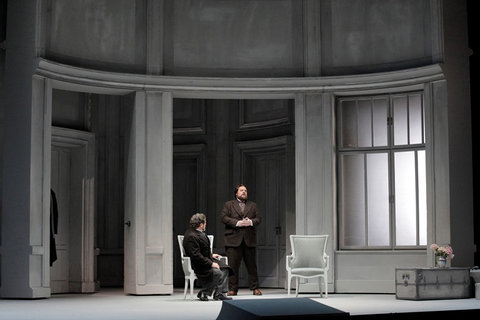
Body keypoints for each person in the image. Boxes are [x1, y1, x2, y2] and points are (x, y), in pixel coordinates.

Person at [220, 184, 262, 296]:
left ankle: (255, 288)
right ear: (236, 193)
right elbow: (223, 217)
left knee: (252, 266)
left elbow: (259, 219)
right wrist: (237, 223)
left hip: (249, 238)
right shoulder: (229, 204)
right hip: (233, 238)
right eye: (241, 190)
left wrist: (251, 222)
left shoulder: (253, 205)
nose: (244, 192)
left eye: (245, 191)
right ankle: (233, 289)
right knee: (233, 265)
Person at [183, 213, 233, 301]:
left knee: (225, 268)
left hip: (205, 259)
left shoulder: (199, 233)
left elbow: (202, 250)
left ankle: (219, 293)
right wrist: (211, 263)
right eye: (205, 223)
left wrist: (211, 255)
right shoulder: (191, 236)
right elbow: (196, 255)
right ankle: (204, 292)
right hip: (198, 264)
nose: (205, 225)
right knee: (217, 272)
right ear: (201, 224)